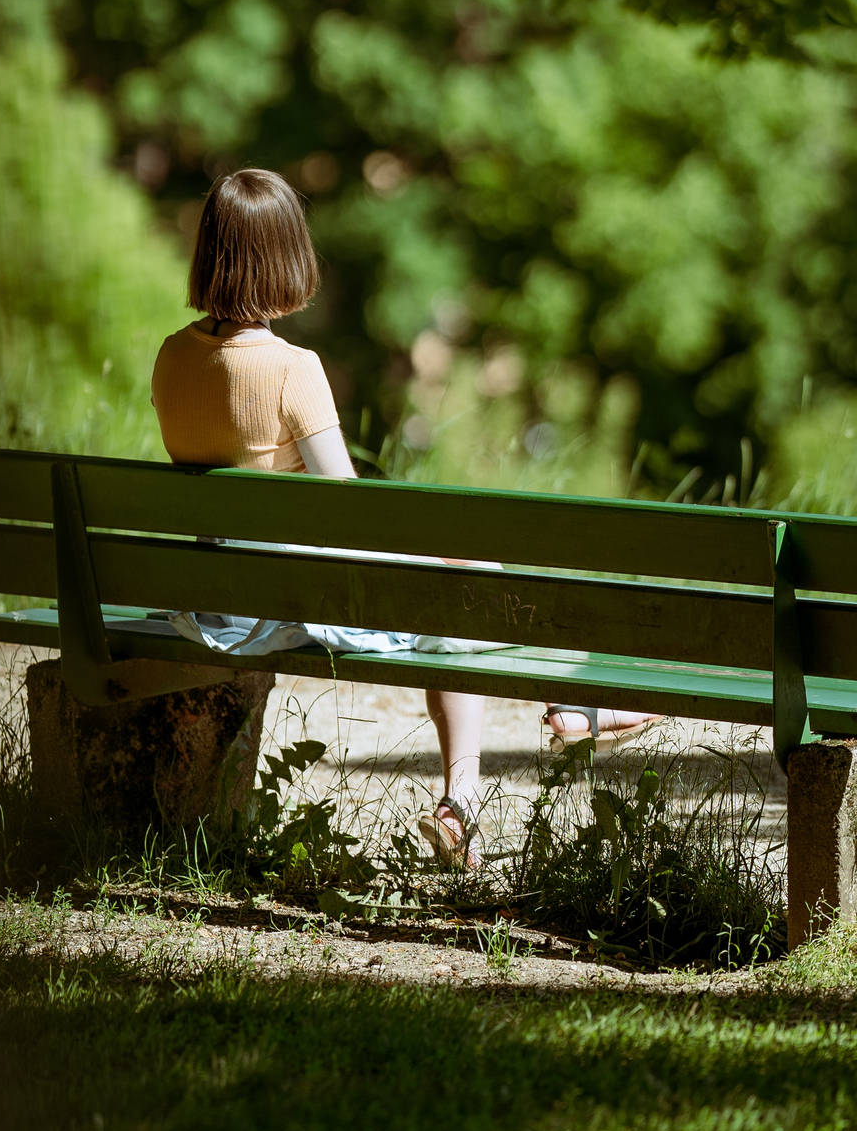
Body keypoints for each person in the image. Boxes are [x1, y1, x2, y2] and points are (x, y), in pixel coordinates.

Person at [151, 168, 657, 871]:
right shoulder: (292, 368)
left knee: (457, 575)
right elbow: (355, 518)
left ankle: (482, 791)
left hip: (211, 603)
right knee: (469, 577)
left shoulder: (173, 356)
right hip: (284, 602)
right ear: (286, 256)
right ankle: (542, 734)